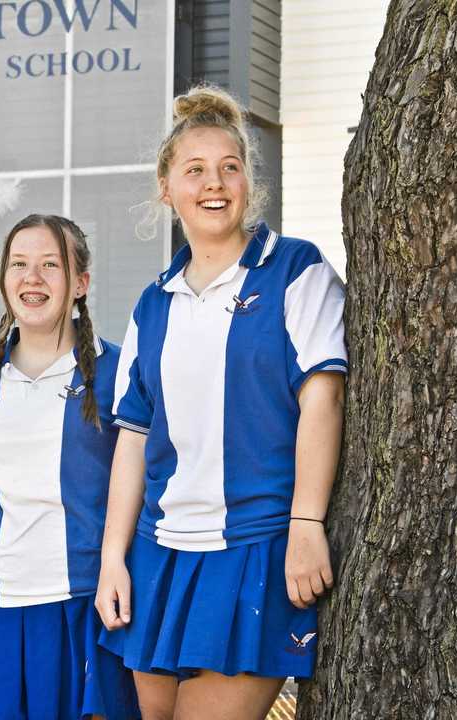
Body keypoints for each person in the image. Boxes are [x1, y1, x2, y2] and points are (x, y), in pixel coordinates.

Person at [95, 85, 348, 719]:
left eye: (230, 167)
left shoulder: (295, 269)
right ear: (167, 188)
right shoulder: (153, 305)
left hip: (257, 548)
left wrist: (306, 524)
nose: (216, 183)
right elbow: (132, 439)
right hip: (159, 556)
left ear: (247, 182)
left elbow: (325, 398)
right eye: (196, 170)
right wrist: (112, 562)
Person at [0, 214, 139, 720]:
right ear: (4, 280)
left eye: (50, 265)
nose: (33, 278)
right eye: (20, 265)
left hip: (87, 606)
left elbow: (139, 484)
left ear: (81, 284)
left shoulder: (120, 374)